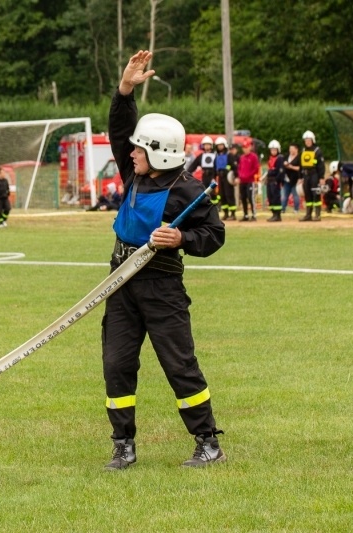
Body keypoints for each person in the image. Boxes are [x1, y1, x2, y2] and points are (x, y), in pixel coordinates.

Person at [103, 50, 226, 470]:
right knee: (117, 364)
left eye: (140, 148)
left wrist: (180, 237)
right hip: (120, 281)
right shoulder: (133, 173)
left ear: (159, 153)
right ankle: (123, 444)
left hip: (162, 286)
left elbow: (214, 235)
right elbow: (119, 130)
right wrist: (125, 90)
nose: (131, 152)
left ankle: (207, 441)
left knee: (179, 364)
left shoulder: (188, 191)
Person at [299, 130, 325, 222]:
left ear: (313, 140)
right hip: (306, 175)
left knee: (316, 194)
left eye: (309, 140)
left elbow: (321, 165)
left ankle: (317, 215)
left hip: (315, 175)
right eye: (306, 140)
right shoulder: (303, 150)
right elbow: (301, 165)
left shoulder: (317, 150)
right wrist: (300, 177)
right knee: (307, 195)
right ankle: (308, 214)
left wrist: (321, 177)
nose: (307, 142)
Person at [186, 136, 217, 205]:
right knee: (205, 192)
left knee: (213, 193)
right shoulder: (201, 156)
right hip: (205, 176)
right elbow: (193, 166)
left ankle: (216, 206)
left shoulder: (215, 155)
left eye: (208, 144)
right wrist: (186, 173)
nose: (206, 146)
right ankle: (207, 205)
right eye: (205, 144)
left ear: (211, 145)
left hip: (213, 176)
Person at [214, 136, 237, 220]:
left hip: (228, 177)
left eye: (221, 145)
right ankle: (226, 213)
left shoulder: (229, 155)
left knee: (229, 194)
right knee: (222, 195)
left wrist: (236, 177)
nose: (220, 147)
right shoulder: (216, 156)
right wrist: (214, 177)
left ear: (224, 145)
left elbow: (234, 167)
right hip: (220, 177)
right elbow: (214, 167)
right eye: (218, 145)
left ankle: (233, 214)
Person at [237, 139, 259, 221]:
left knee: (250, 197)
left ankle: (254, 214)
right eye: (244, 147)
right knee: (243, 197)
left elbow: (256, 168)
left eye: (246, 147)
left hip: (250, 181)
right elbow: (239, 168)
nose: (245, 149)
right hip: (242, 181)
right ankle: (245, 215)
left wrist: (248, 175)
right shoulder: (242, 157)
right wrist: (240, 176)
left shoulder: (253, 157)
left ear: (250, 147)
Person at [265, 140, 285, 221]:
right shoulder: (270, 159)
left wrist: (277, 180)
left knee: (276, 198)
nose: (273, 151)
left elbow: (280, 171)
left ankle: (277, 215)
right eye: (272, 150)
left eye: (275, 150)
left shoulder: (280, 158)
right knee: (270, 198)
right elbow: (269, 170)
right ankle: (273, 214)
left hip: (275, 181)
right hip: (269, 181)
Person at [281, 143, 301, 215]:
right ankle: (283, 209)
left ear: (296, 149)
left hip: (295, 180)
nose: (290, 151)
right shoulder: (286, 156)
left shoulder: (299, 157)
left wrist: (291, 167)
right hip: (286, 179)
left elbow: (300, 168)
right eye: (290, 149)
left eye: (292, 149)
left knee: (295, 195)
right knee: (284, 195)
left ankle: (296, 209)